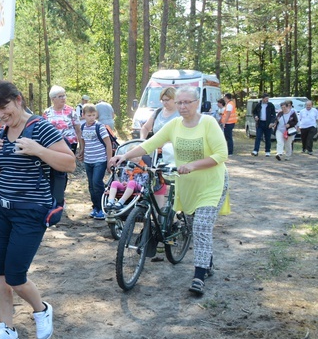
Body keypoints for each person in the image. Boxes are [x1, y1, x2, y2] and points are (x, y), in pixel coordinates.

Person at [109, 86, 229, 296]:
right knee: (194, 226)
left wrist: (192, 165)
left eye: (187, 102)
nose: (182, 106)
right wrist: (125, 156)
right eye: (180, 102)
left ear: (196, 103)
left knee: (201, 226)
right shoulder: (174, 125)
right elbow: (150, 143)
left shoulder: (208, 123)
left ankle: (199, 277)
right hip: (187, 184)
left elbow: (221, 154)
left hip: (212, 183)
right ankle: (207, 260)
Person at [0, 81, 74, 339]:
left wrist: (39, 150)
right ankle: (6, 328)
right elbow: (8, 172)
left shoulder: (41, 127)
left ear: (18, 100)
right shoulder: (1, 129)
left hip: (31, 212)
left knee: (15, 275)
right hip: (2, 208)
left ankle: (41, 310)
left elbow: (69, 163)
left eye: (4, 107)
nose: (1, 114)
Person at [77, 104, 112, 220]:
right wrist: (81, 152)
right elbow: (83, 142)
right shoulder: (83, 127)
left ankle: (103, 208)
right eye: (89, 115)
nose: (91, 118)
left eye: (93, 115)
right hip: (88, 160)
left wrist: (109, 161)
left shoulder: (100, 127)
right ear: (83, 116)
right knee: (91, 185)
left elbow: (108, 144)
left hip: (100, 159)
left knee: (97, 182)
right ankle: (95, 207)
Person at [43, 85, 81, 153]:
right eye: (60, 96)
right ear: (53, 99)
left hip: (70, 144)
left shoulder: (71, 111)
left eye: (64, 96)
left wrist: (81, 146)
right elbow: (44, 131)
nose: (63, 98)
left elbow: (78, 130)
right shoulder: (47, 113)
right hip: (53, 144)